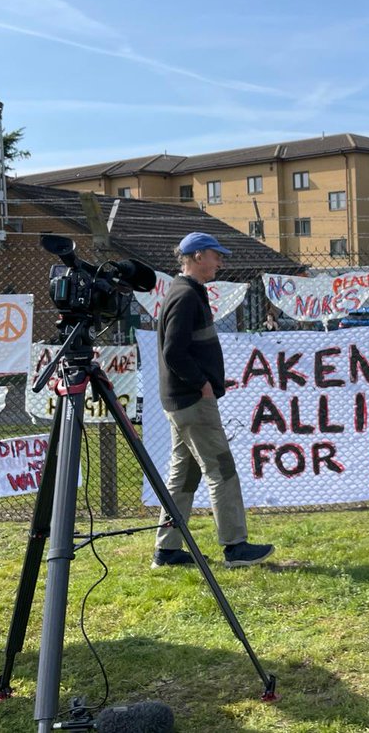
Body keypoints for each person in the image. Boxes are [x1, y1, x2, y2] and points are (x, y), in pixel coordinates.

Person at [152, 232, 274, 569]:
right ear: (197, 255)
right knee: (221, 469)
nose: (220, 262)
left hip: (181, 401)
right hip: (193, 402)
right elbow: (173, 351)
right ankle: (235, 547)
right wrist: (202, 383)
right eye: (216, 255)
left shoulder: (184, 291)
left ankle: (167, 550)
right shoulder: (186, 295)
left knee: (183, 476)